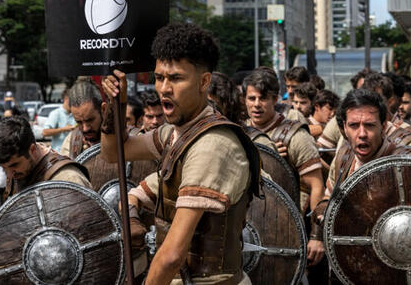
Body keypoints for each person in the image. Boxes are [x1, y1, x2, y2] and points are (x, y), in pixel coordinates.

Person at [101, 23, 262, 284]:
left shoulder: (212, 144)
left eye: (175, 78)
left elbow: (172, 256)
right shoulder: (176, 133)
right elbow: (114, 153)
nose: (164, 88)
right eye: (159, 77)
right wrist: (116, 107)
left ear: (204, 81)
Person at [311, 89, 411, 232]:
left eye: (369, 125)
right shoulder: (343, 158)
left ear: (383, 126)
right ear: (344, 128)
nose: (362, 134)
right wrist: (323, 209)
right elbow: (330, 196)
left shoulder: (407, 163)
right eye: (354, 125)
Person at [242, 69, 325, 264]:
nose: (256, 104)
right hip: (246, 227)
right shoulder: (238, 132)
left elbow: (316, 185)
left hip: (287, 228)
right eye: (251, 98)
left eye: (262, 98)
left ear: (275, 99)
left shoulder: (295, 136)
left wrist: (315, 236)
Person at [0, 115, 90, 199]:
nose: (9, 174)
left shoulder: (67, 179)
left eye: (14, 165)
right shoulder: (16, 172)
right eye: (4, 168)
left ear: (32, 150)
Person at [58, 79, 104, 158]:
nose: (85, 129)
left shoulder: (123, 138)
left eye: (90, 120)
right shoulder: (71, 142)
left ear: (103, 110)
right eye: (79, 122)